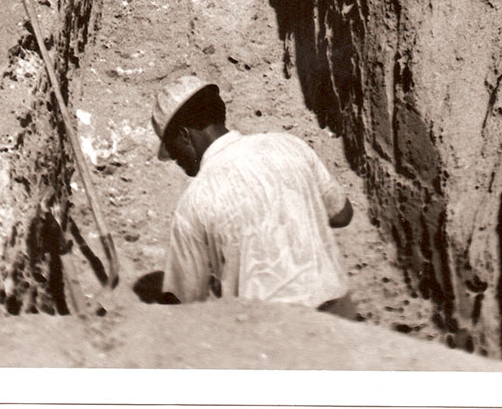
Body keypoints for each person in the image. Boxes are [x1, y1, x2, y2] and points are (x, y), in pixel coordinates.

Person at [152, 75, 357, 317]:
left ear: (184, 135)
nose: (176, 159)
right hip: (340, 316)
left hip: (273, 334)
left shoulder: (195, 200)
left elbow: (181, 301)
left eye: (172, 149)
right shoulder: (289, 145)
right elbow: (342, 214)